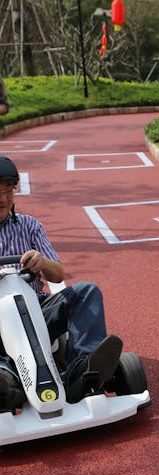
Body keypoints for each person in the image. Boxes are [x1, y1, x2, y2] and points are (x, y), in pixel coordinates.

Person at [0, 155, 123, 411]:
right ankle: (7, 380)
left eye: (8, 190)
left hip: (37, 309)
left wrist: (41, 261)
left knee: (86, 291)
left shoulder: (29, 226)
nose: (3, 198)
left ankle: (83, 368)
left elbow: (57, 275)